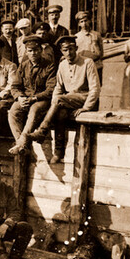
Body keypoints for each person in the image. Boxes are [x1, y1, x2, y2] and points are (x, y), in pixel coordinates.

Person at [28, 36, 101, 164]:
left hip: (85, 99)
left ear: (76, 48)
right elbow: (58, 87)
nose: (69, 53)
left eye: (71, 49)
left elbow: (95, 88)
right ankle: (58, 152)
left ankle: (42, 130)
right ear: (61, 51)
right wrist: (54, 102)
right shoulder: (62, 65)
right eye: (65, 50)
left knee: (60, 99)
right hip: (68, 101)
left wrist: (86, 107)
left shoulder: (87, 62)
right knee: (60, 114)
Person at [8, 35, 57, 155]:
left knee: (34, 109)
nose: (33, 53)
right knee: (13, 111)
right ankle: (21, 144)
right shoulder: (23, 65)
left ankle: (21, 142)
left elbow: (51, 89)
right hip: (26, 98)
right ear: (26, 51)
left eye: (36, 50)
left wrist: (35, 98)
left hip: (42, 99)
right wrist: (20, 97)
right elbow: (15, 86)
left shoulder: (49, 65)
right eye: (30, 51)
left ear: (41, 50)